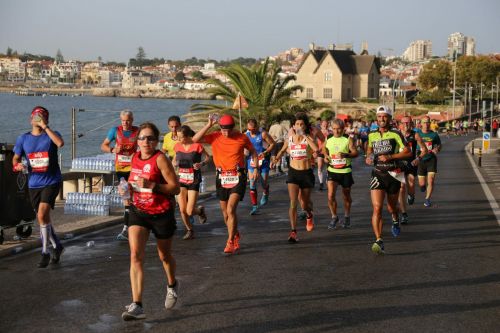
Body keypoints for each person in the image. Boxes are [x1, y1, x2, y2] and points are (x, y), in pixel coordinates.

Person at [120, 122, 180, 321]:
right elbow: (132, 181)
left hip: (161, 213)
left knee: (164, 256)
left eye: (151, 138)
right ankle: (137, 305)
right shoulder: (134, 158)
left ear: (156, 141)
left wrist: (153, 185)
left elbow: (175, 188)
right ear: (137, 141)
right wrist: (126, 190)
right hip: (139, 212)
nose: (146, 141)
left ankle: (172, 284)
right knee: (135, 255)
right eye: (142, 138)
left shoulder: (160, 159)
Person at [192, 114, 257, 255]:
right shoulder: (214, 136)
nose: (225, 132)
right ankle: (235, 233)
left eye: (228, 130)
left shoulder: (241, 137)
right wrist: (209, 124)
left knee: (230, 209)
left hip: (238, 176)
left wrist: (255, 167)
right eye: (223, 129)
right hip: (221, 177)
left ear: (233, 128)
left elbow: (252, 151)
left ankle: (230, 241)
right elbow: (194, 140)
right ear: (219, 128)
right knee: (225, 213)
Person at [13, 106, 65, 268]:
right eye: (35, 116)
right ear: (30, 119)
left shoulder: (51, 135)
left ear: (46, 119)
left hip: (52, 181)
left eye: (41, 117)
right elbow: (14, 160)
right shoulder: (23, 139)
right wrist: (18, 167)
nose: (37, 119)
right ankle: (57, 245)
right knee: (43, 218)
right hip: (34, 183)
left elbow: (60, 143)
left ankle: (45, 252)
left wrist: (45, 127)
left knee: (42, 214)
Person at [366, 106, 412, 255]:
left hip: (393, 174)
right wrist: (368, 157)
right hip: (378, 174)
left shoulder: (396, 133)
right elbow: (369, 150)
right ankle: (379, 240)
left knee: (391, 207)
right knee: (377, 207)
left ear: (390, 119)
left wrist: (390, 157)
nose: (382, 119)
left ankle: (395, 217)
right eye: (379, 117)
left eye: (384, 117)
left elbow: (408, 152)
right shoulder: (372, 134)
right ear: (376, 119)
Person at [272, 112, 319, 243]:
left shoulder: (308, 138)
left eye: (301, 124)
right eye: (297, 124)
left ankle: (309, 214)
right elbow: (282, 150)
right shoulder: (290, 139)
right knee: (293, 203)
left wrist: (305, 135)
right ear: (293, 125)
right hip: (293, 173)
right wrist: (276, 159)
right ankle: (293, 232)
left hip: (306, 173)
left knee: (304, 203)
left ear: (305, 126)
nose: (299, 126)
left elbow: (316, 149)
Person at [101, 109, 139, 241]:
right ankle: (126, 228)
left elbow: (144, 147)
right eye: (123, 121)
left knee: (135, 197)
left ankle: (134, 225)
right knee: (126, 197)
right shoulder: (114, 131)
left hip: (135, 169)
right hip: (121, 169)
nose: (125, 123)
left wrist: (137, 154)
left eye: (128, 120)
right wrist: (112, 149)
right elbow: (103, 145)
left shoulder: (137, 131)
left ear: (132, 120)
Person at [172, 125, 210, 240]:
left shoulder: (197, 146)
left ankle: (199, 211)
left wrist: (201, 164)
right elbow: (174, 160)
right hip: (182, 179)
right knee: (182, 209)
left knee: (189, 211)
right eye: (177, 137)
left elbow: (208, 158)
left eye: (181, 137)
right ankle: (190, 230)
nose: (179, 140)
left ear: (188, 136)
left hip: (194, 179)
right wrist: (174, 163)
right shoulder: (177, 146)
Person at [323, 119, 358, 229]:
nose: (336, 131)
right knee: (330, 195)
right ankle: (334, 217)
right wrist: (325, 155)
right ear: (331, 129)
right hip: (332, 170)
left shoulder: (348, 139)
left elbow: (355, 153)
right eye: (334, 129)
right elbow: (324, 148)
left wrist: (345, 155)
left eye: (339, 129)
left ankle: (347, 216)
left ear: (343, 129)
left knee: (346, 196)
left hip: (345, 171)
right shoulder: (328, 138)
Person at [398, 116, 427, 224]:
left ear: (411, 124)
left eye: (408, 123)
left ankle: (411, 195)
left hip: (411, 163)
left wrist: (418, 159)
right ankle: (404, 214)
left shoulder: (415, 135)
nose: (406, 125)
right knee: (401, 188)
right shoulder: (396, 134)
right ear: (400, 124)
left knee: (410, 183)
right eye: (404, 123)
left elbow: (424, 150)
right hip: (399, 164)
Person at [245, 118, 275, 215]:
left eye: (253, 129)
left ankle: (266, 192)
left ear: (257, 127)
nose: (251, 131)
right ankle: (254, 206)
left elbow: (272, 144)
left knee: (263, 182)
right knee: (252, 183)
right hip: (252, 161)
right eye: (249, 129)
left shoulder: (263, 134)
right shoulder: (246, 136)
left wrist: (265, 152)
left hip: (263, 161)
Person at [415, 115, 441, 207]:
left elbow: (439, 145)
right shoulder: (417, 134)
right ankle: (422, 187)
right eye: (424, 122)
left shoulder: (434, 134)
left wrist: (437, 149)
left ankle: (427, 199)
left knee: (431, 180)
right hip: (421, 160)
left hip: (431, 159)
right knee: (422, 184)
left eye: (428, 122)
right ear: (421, 124)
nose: (426, 124)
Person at [316, 119, 332, 191]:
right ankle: (321, 183)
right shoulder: (318, 133)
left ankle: (327, 181)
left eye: (326, 124)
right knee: (319, 167)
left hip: (328, 152)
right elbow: (314, 141)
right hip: (320, 152)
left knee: (328, 168)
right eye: (324, 124)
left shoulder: (331, 133)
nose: (325, 126)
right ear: (321, 125)